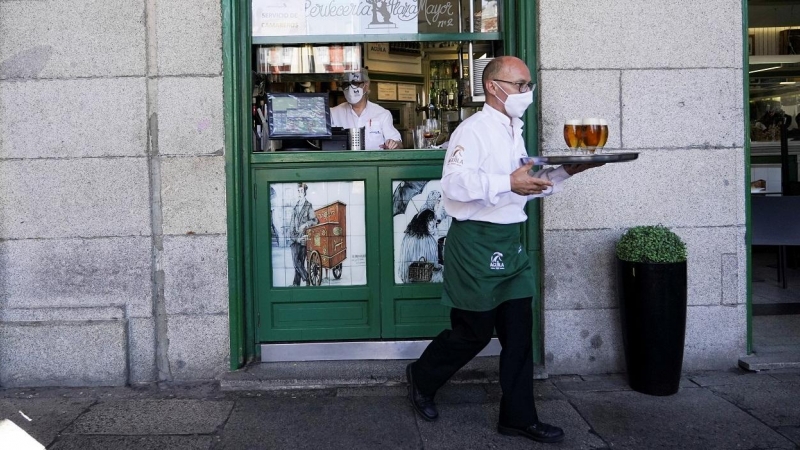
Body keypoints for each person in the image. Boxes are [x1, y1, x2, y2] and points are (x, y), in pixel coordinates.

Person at [405, 56, 602, 444]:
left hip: (510, 243)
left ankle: (517, 417)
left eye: (529, 85)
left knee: (518, 334)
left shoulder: (515, 129)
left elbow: (526, 181)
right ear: (493, 87)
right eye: (520, 85)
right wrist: (507, 182)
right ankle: (422, 376)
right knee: (472, 333)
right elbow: (455, 186)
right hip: (476, 243)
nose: (527, 93)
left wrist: (566, 172)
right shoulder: (472, 130)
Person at [330, 69, 403, 150]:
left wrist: (393, 144)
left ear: (366, 85)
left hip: (375, 161)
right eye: (346, 84)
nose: (350, 88)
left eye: (355, 83)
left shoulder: (382, 114)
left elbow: (398, 144)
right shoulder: (333, 113)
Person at [288, 183, 318, 286]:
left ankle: (296, 284)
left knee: (299, 262)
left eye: (301, 191)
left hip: (304, 239)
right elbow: (291, 225)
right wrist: (294, 238)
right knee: (296, 262)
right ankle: (307, 277)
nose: (299, 193)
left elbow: (315, 221)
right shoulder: (295, 207)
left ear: (305, 192)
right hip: (295, 239)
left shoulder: (308, 206)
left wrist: (306, 224)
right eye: (298, 191)